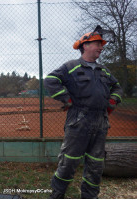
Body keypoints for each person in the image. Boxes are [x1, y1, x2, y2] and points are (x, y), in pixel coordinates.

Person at [44, 27, 123, 199]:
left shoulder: (104, 70)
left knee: (96, 166)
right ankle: (57, 195)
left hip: (101, 122)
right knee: (68, 163)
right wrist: (66, 99)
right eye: (97, 43)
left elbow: (117, 87)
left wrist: (112, 101)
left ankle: (90, 197)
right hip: (79, 121)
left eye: (101, 44)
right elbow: (51, 80)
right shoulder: (71, 67)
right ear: (85, 45)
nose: (101, 47)